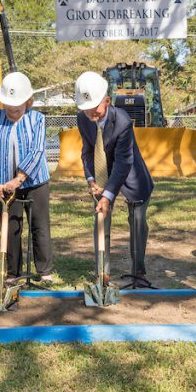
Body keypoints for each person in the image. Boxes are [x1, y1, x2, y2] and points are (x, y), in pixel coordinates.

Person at [74, 71, 155, 287]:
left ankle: (138, 272)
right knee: (101, 220)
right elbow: (87, 151)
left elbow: (123, 163)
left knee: (137, 222)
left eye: (96, 110)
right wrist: (91, 179)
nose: (92, 115)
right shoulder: (83, 117)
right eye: (86, 110)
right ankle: (102, 272)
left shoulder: (122, 121)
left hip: (131, 175)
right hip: (101, 171)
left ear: (107, 101)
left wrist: (108, 195)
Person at [0, 72, 53, 283]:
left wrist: (19, 179)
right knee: (11, 226)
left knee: (39, 225)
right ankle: (12, 273)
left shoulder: (38, 119)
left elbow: (37, 151)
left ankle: (44, 272)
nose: (13, 109)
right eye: (9, 105)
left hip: (35, 182)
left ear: (28, 101)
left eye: (18, 105)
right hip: (4, 184)